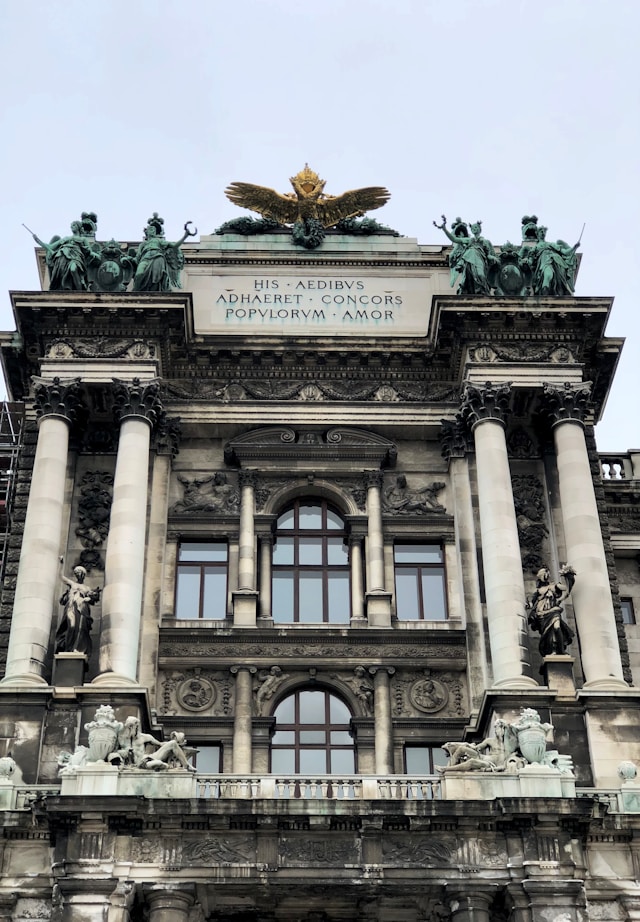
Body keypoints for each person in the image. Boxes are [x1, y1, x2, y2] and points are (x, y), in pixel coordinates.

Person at [433, 216, 497, 295]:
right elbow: (454, 239)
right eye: (473, 228)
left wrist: (492, 258)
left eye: (476, 227)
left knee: (481, 274)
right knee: (468, 273)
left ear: (480, 229)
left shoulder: (486, 241)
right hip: (469, 257)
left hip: (480, 258)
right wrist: (444, 229)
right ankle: (470, 288)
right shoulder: (469, 240)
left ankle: (484, 291)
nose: (474, 229)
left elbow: (490, 254)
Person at [132, 214, 196, 292]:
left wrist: (185, 236)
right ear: (147, 232)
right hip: (145, 259)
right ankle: (135, 292)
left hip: (158, 257)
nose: (152, 232)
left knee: (158, 277)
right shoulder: (143, 244)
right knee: (139, 274)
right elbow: (138, 256)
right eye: (150, 230)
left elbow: (175, 246)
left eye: (154, 230)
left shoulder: (159, 241)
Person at [110, 716, 195, 771]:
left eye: (133, 726)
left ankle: (186, 766)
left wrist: (176, 741)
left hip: (148, 757)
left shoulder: (145, 737)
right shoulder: (122, 738)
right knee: (157, 763)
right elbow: (115, 752)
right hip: (140, 763)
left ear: (137, 726)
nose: (131, 728)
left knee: (172, 743)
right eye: (129, 726)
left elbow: (160, 744)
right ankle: (162, 765)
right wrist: (124, 752)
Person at [527, 565, 576, 657]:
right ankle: (553, 650)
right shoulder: (538, 591)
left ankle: (561, 650)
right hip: (542, 615)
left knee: (557, 627)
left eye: (546, 574)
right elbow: (532, 602)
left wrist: (567, 576)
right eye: (543, 574)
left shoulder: (554, 586)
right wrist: (528, 605)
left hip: (553, 611)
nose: (545, 576)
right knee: (548, 632)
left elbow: (565, 588)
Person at [55, 563, 101, 656]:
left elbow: (93, 599)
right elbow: (61, 577)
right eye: (76, 573)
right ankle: (68, 648)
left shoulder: (87, 588)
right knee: (71, 626)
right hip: (72, 607)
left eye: (79, 572)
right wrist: (61, 564)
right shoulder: (72, 584)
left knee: (81, 628)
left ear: (83, 574)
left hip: (83, 608)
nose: (78, 574)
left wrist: (92, 597)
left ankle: (77, 648)